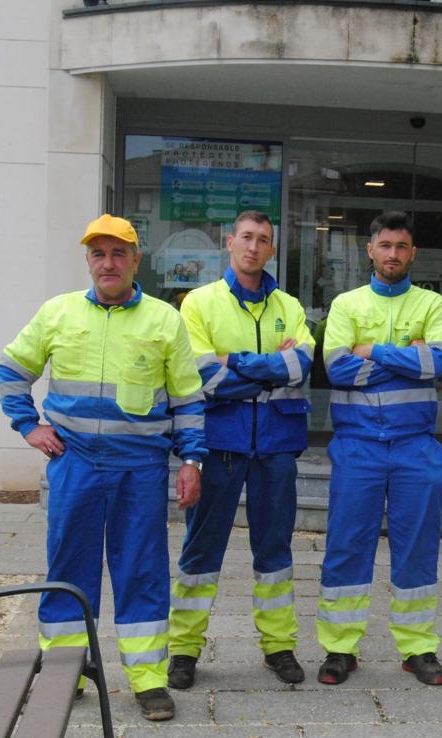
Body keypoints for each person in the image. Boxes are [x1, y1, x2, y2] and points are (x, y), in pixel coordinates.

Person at [0, 213, 206, 722]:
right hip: (76, 466)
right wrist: (28, 426)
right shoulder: (58, 313)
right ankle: (65, 673)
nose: (107, 263)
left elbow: (188, 398)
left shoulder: (164, 319)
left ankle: (148, 680)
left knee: (142, 571)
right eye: (98, 254)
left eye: (118, 253)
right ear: (88, 260)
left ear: (137, 260)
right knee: (70, 568)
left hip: (141, 470)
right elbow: (12, 369)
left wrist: (192, 460)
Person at [168, 211, 314, 688]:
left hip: (276, 446)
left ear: (272, 250)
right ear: (230, 242)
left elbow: (302, 363)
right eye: (246, 238)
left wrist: (236, 363)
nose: (254, 247)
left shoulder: (289, 305)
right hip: (221, 445)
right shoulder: (199, 303)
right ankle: (184, 650)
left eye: (264, 240)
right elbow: (201, 374)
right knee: (201, 548)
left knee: (275, 550)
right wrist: (270, 365)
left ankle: (279, 647)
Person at [316, 211, 442, 686]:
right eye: (385, 245)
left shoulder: (433, 305)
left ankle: (418, 649)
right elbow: (336, 368)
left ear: (412, 253)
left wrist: (371, 351)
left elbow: (436, 362)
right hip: (357, 445)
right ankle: (340, 649)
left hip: (416, 446)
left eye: (401, 246)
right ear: (369, 250)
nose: (393, 254)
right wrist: (408, 357)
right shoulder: (345, 304)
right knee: (346, 544)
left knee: (417, 546)